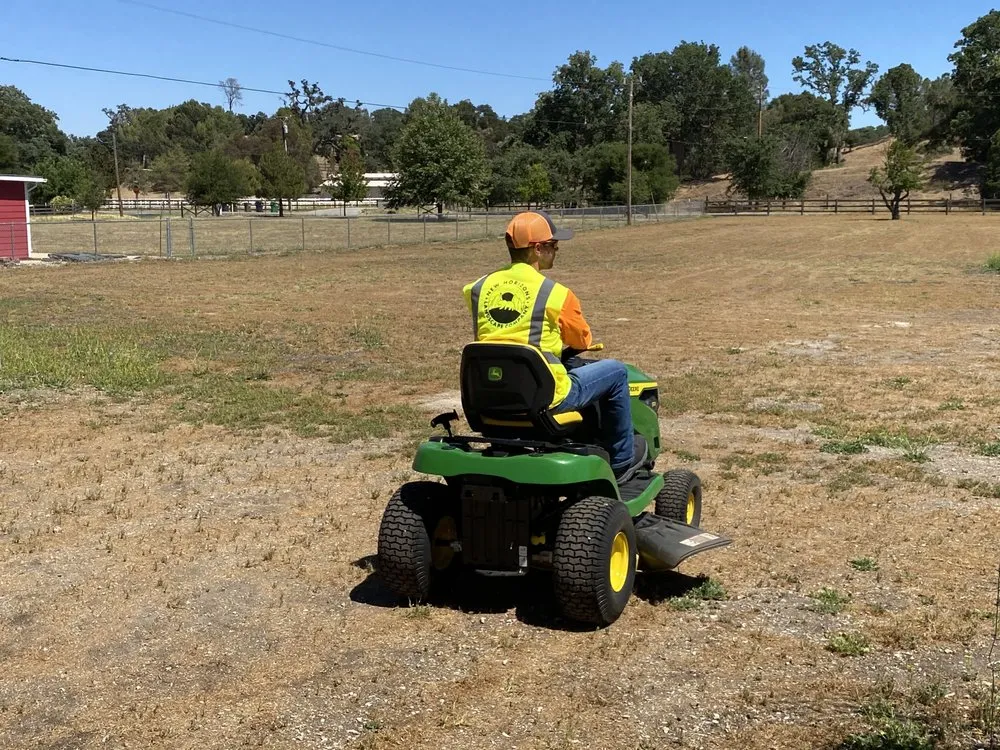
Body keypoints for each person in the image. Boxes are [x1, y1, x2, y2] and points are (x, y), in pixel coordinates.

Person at [462, 210, 646, 483]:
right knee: (617, 372)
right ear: (537, 249)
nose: (557, 250)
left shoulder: (476, 288)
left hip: (490, 394)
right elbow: (581, 341)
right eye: (553, 245)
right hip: (547, 396)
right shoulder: (556, 294)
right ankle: (621, 462)